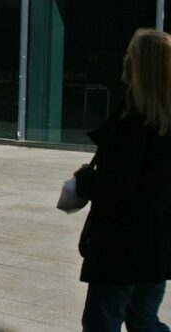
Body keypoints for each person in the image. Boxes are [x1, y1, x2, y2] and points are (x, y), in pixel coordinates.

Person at [74, 28, 171, 332]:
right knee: (143, 319)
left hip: (122, 247)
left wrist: (84, 181)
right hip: (158, 245)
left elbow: (118, 188)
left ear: (141, 65)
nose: (125, 58)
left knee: (102, 321)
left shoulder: (133, 124)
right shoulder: (161, 121)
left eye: (131, 53)